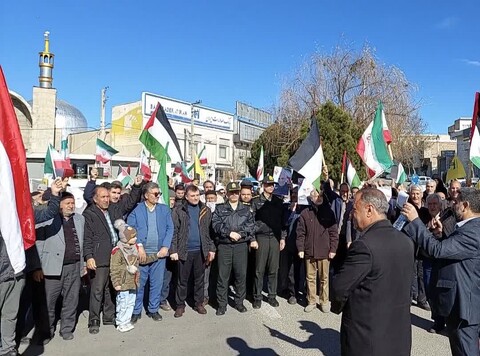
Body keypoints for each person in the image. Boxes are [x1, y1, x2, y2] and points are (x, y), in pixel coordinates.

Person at [331, 188, 414, 356]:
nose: (351, 215)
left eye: (354, 209)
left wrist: (339, 305)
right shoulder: (406, 241)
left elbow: (339, 288)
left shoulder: (364, 245)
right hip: (399, 338)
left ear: (369, 210)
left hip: (367, 339)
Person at [402, 188, 480, 356]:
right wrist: (443, 233)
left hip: (464, 307)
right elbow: (454, 251)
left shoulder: (473, 230)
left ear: (466, 206)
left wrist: (415, 221)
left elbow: (437, 250)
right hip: (460, 303)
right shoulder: (469, 228)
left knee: (465, 351)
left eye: (456, 203)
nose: (452, 205)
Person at [33, 192, 84, 341]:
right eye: (67, 203)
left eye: (72, 202)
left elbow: (82, 242)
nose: (71, 205)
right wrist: (37, 267)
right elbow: (39, 243)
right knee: (48, 302)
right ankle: (46, 331)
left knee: (71, 300)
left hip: (74, 266)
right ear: (59, 205)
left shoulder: (80, 219)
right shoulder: (48, 220)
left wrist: (84, 263)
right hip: (52, 268)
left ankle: (67, 329)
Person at [127, 182, 173, 323]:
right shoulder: (137, 210)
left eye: (159, 193)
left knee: (156, 283)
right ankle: (136, 311)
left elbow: (170, 228)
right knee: (139, 284)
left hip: (159, 254)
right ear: (146, 195)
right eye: (155, 194)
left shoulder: (164, 210)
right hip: (142, 254)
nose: (158, 196)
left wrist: (165, 246)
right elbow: (130, 229)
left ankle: (153, 309)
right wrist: (139, 245)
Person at [170, 185, 215, 317]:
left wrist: (211, 249)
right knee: (182, 280)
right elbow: (174, 231)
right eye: (192, 196)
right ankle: (180, 305)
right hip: (184, 251)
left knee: (199, 279)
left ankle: (198, 303)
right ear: (186, 196)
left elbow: (210, 232)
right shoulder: (179, 210)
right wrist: (173, 250)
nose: (195, 198)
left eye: (197, 196)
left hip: (201, 251)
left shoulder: (205, 210)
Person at [212, 182, 255, 315]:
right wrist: (228, 233)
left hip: (240, 246)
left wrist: (240, 234)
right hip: (224, 245)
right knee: (223, 276)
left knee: (240, 276)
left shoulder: (247, 209)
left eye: (237, 192)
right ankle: (222, 304)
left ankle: (239, 302)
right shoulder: (220, 208)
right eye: (232, 192)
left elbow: (250, 226)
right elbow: (215, 225)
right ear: (227, 193)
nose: (234, 195)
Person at [110, 220, 160, 332]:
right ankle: (121, 322)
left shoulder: (135, 249)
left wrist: (156, 256)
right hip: (123, 283)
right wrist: (116, 283)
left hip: (133, 282)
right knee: (123, 303)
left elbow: (142, 260)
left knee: (130, 303)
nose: (135, 239)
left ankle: (127, 321)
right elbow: (114, 269)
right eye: (133, 237)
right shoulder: (117, 251)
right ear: (125, 238)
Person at [83, 186, 119, 334]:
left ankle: (109, 316)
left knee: (110, 288)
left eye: (107, 197)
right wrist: (89, 257)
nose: (106, 200)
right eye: (103, 197)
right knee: (97, 290)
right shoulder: (89, 214)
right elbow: (87, 238)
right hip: (99, 257)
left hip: (114, 256)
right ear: (95, 199)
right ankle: (94, 319)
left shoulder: (111, 210)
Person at [297, 188, 338, 313]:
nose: (318, 197)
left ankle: (324, 302)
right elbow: (300, 233)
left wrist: (333, 249)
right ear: (311, 198)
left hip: (324, 252)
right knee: (310, 278)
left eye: (320, 195)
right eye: (315, 195)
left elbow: (333, 233)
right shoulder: (305, 213)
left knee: (324, 278)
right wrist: (301, 248)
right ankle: (311, 301)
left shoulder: (329, 213)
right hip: (309, 251)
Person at [251, 175, 286, 309]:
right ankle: (257, 297)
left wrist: (282, 237)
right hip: (262, 237)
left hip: (275, 238)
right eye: (268, 184)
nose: (271, 186)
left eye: (272, 184)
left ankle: (272, 296)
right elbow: (251, 221)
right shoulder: (256, 201)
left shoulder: (278, 201)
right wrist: (253, 238)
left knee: (273, 269)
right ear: (263, 185)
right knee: (259, 269)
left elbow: (283, 222)